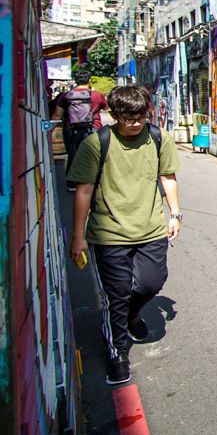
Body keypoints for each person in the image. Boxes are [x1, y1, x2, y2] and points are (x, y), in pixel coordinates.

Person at [67, 84, 182, 385]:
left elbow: (167, 177)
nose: (134, 123)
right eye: (126, 117)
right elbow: (83, 190)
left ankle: (131, 316)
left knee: (151, 282)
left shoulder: (158, 137)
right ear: (113, 114)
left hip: (151, 228)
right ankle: (117, 351)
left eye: (140, 117)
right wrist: (78, 236)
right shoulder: (96, 143)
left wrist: (174, 213)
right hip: (109, 233)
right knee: (115, 295)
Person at [52, 70, 109, 191]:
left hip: (71, 129)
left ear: (75, 81)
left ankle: (72, 183)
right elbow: (106, 107)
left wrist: (49, 131)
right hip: (92, 128)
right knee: (94, 155)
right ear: (89, 80)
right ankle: (94, 182)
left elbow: (57, 114)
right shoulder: (97, 95)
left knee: (73, 155)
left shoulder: (66, 96)